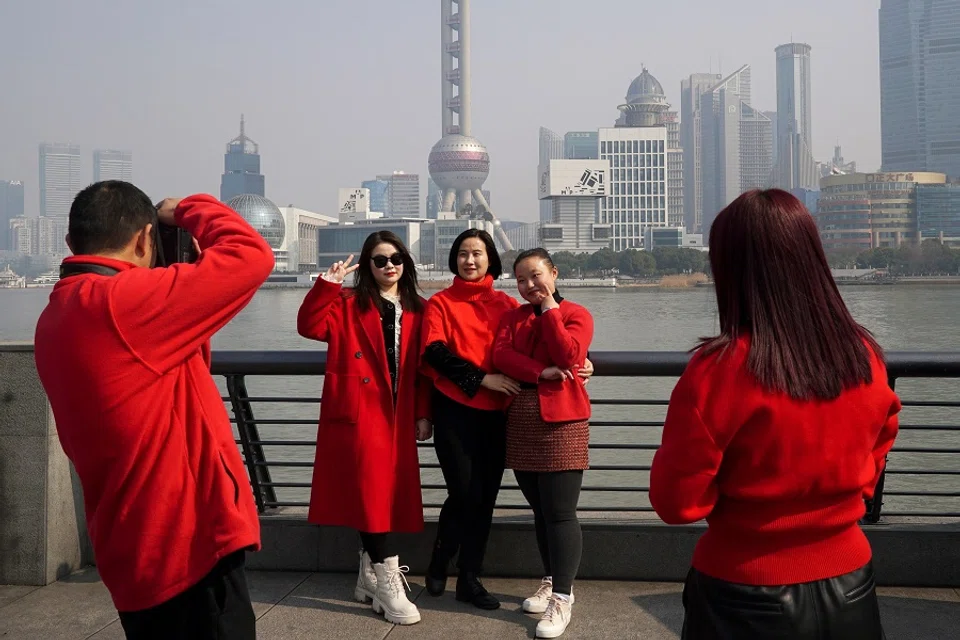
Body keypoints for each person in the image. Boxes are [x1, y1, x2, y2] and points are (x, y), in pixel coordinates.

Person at [649, 189, 901, 640]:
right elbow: (882, 436)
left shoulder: (716, 371)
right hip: (852, 582)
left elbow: (677, 503)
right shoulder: (864, 354)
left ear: (729, 268)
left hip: (742, 589)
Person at [34, 181, 275, 639]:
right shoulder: (123, 304)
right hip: (186, 547)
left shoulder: (59, 313)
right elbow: (252, 255)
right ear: (145, 238)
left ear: (71, 243)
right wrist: (187, 208)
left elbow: (180, 366)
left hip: (131, 542)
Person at [419, 229, 594, 610]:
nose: (470, 260)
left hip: (501, 412)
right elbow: (434, 352)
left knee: (486, 499)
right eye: (463, 253)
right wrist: (482, 378)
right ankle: (439, 558)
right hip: (456, 408)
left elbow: (553, 343)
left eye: (477, 253)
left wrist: (583, 363)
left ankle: (469, 578)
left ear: (490, 260)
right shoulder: (440, 303)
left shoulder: (505, 304)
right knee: (463, 493)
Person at [297, 231, 433, 626]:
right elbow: (308, 326)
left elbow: (424, 370)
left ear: (405, 263)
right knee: (374, 495)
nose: (389, 265)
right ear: (367, 266)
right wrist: (328, 284)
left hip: (399, 411)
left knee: (385, 495)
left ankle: (368, 577)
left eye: (396, 258)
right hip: (359, 412)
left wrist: (424, 414)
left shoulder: (420, 309)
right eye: (379, 260)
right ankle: (388, 580)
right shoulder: (345, 305)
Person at [493, 248, 593, 639]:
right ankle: (551, 579)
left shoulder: (577, 314)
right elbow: (501, 356)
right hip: (522, 419)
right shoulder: (511, 317)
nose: (529, 285)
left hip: (563, 421)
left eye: (536, 276)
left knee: (561, 511)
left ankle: (563, 597)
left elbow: (570, 353)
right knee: (538, 507)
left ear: (554, 272)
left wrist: (550, 309)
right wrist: (541, 372)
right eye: (521, 279)